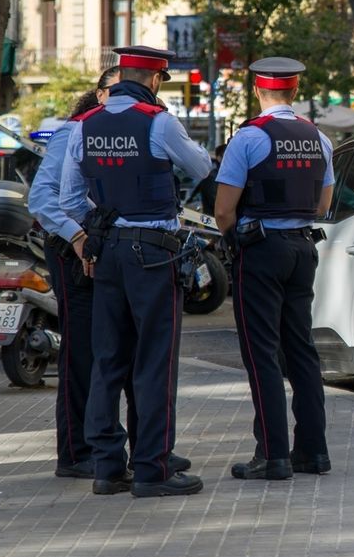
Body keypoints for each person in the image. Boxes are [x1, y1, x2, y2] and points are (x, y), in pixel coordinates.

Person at [59, 45, 212, 497]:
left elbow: (69, 200)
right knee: (154, 362)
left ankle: (108, 468)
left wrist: (102, 220)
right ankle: (152, 468)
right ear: (155, 79)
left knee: (108, 359)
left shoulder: (84, 125)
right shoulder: (158, 121)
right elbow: (201, 167)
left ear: (121, 75)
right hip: (154, 253)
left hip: (107, 252)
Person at [27, 88, 189, 481]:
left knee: (123, 351)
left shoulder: (116, 132)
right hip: (75, 252)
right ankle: (78, 452)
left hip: (109, 252)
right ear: (100, 95)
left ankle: (140, 448)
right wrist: (80, 238)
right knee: (84, 355)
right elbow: (44, 199)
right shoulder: (76, 131)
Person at [214, 57, 335, 481]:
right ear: (295, 91)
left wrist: (235, 242)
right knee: (301, 350)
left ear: (257, 91)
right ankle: (313, 452)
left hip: (262, 251)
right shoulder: (319, 138)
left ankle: (273, 454)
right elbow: (322, 205)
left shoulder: (248, 138)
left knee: (261, 352)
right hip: (303, 249)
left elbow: (224, 210)